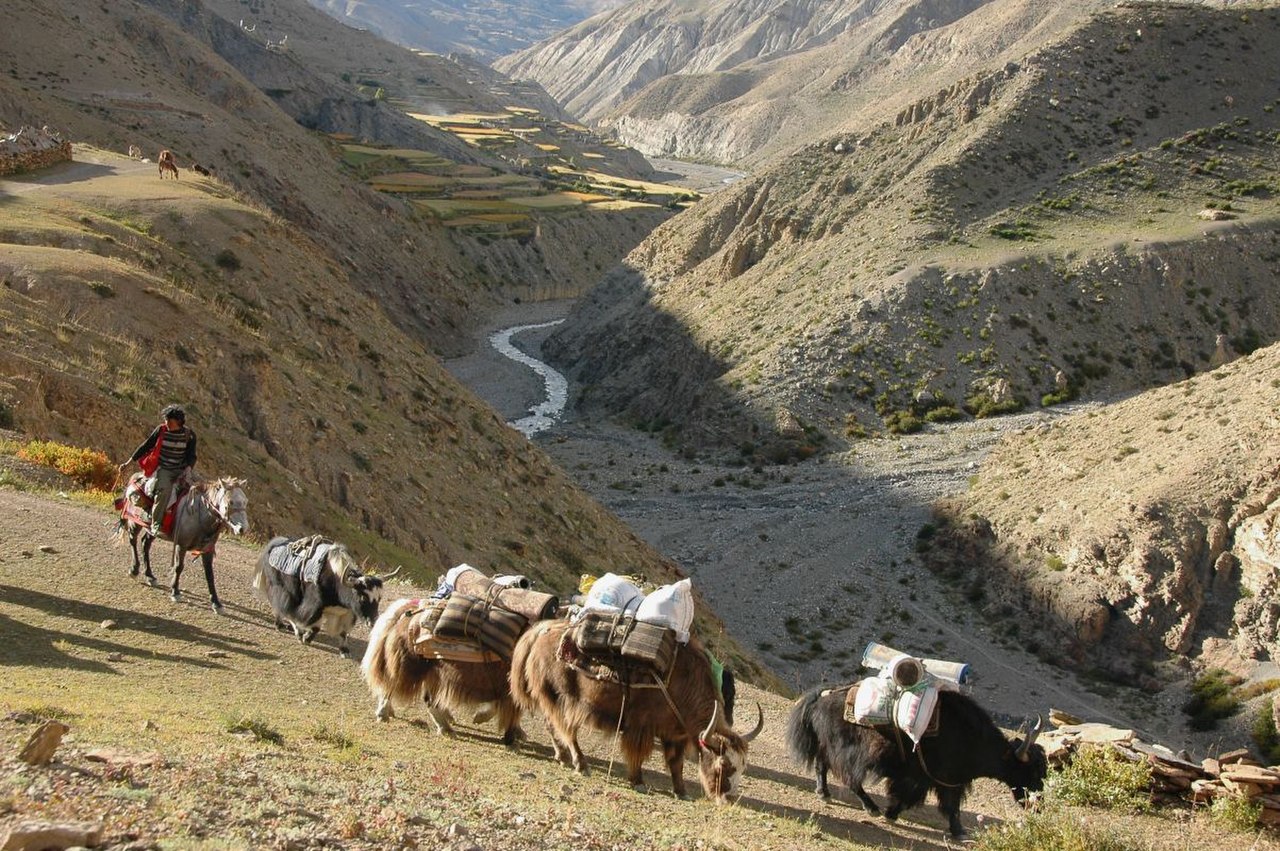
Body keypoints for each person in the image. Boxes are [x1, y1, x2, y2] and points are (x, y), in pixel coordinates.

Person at [118, 404, 197, 535]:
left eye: (169, 420)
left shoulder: (189, 435)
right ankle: (156, 523)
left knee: (199, 490)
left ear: (178, 421)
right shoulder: (161, 430)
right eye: (166, 420)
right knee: (164, 491)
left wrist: (188, 469)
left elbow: (191, 456)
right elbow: (145, 446)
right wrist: (128, 463)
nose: (166, 423)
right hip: (164, 469)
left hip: (182, 470)